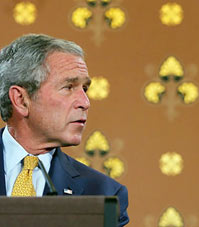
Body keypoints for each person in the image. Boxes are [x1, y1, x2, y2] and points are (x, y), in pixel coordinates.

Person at [0, 34, 129, 226]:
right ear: (21, 100)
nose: (85, 103)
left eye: (84, 89)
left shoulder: (103, 193)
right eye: (69, 87)